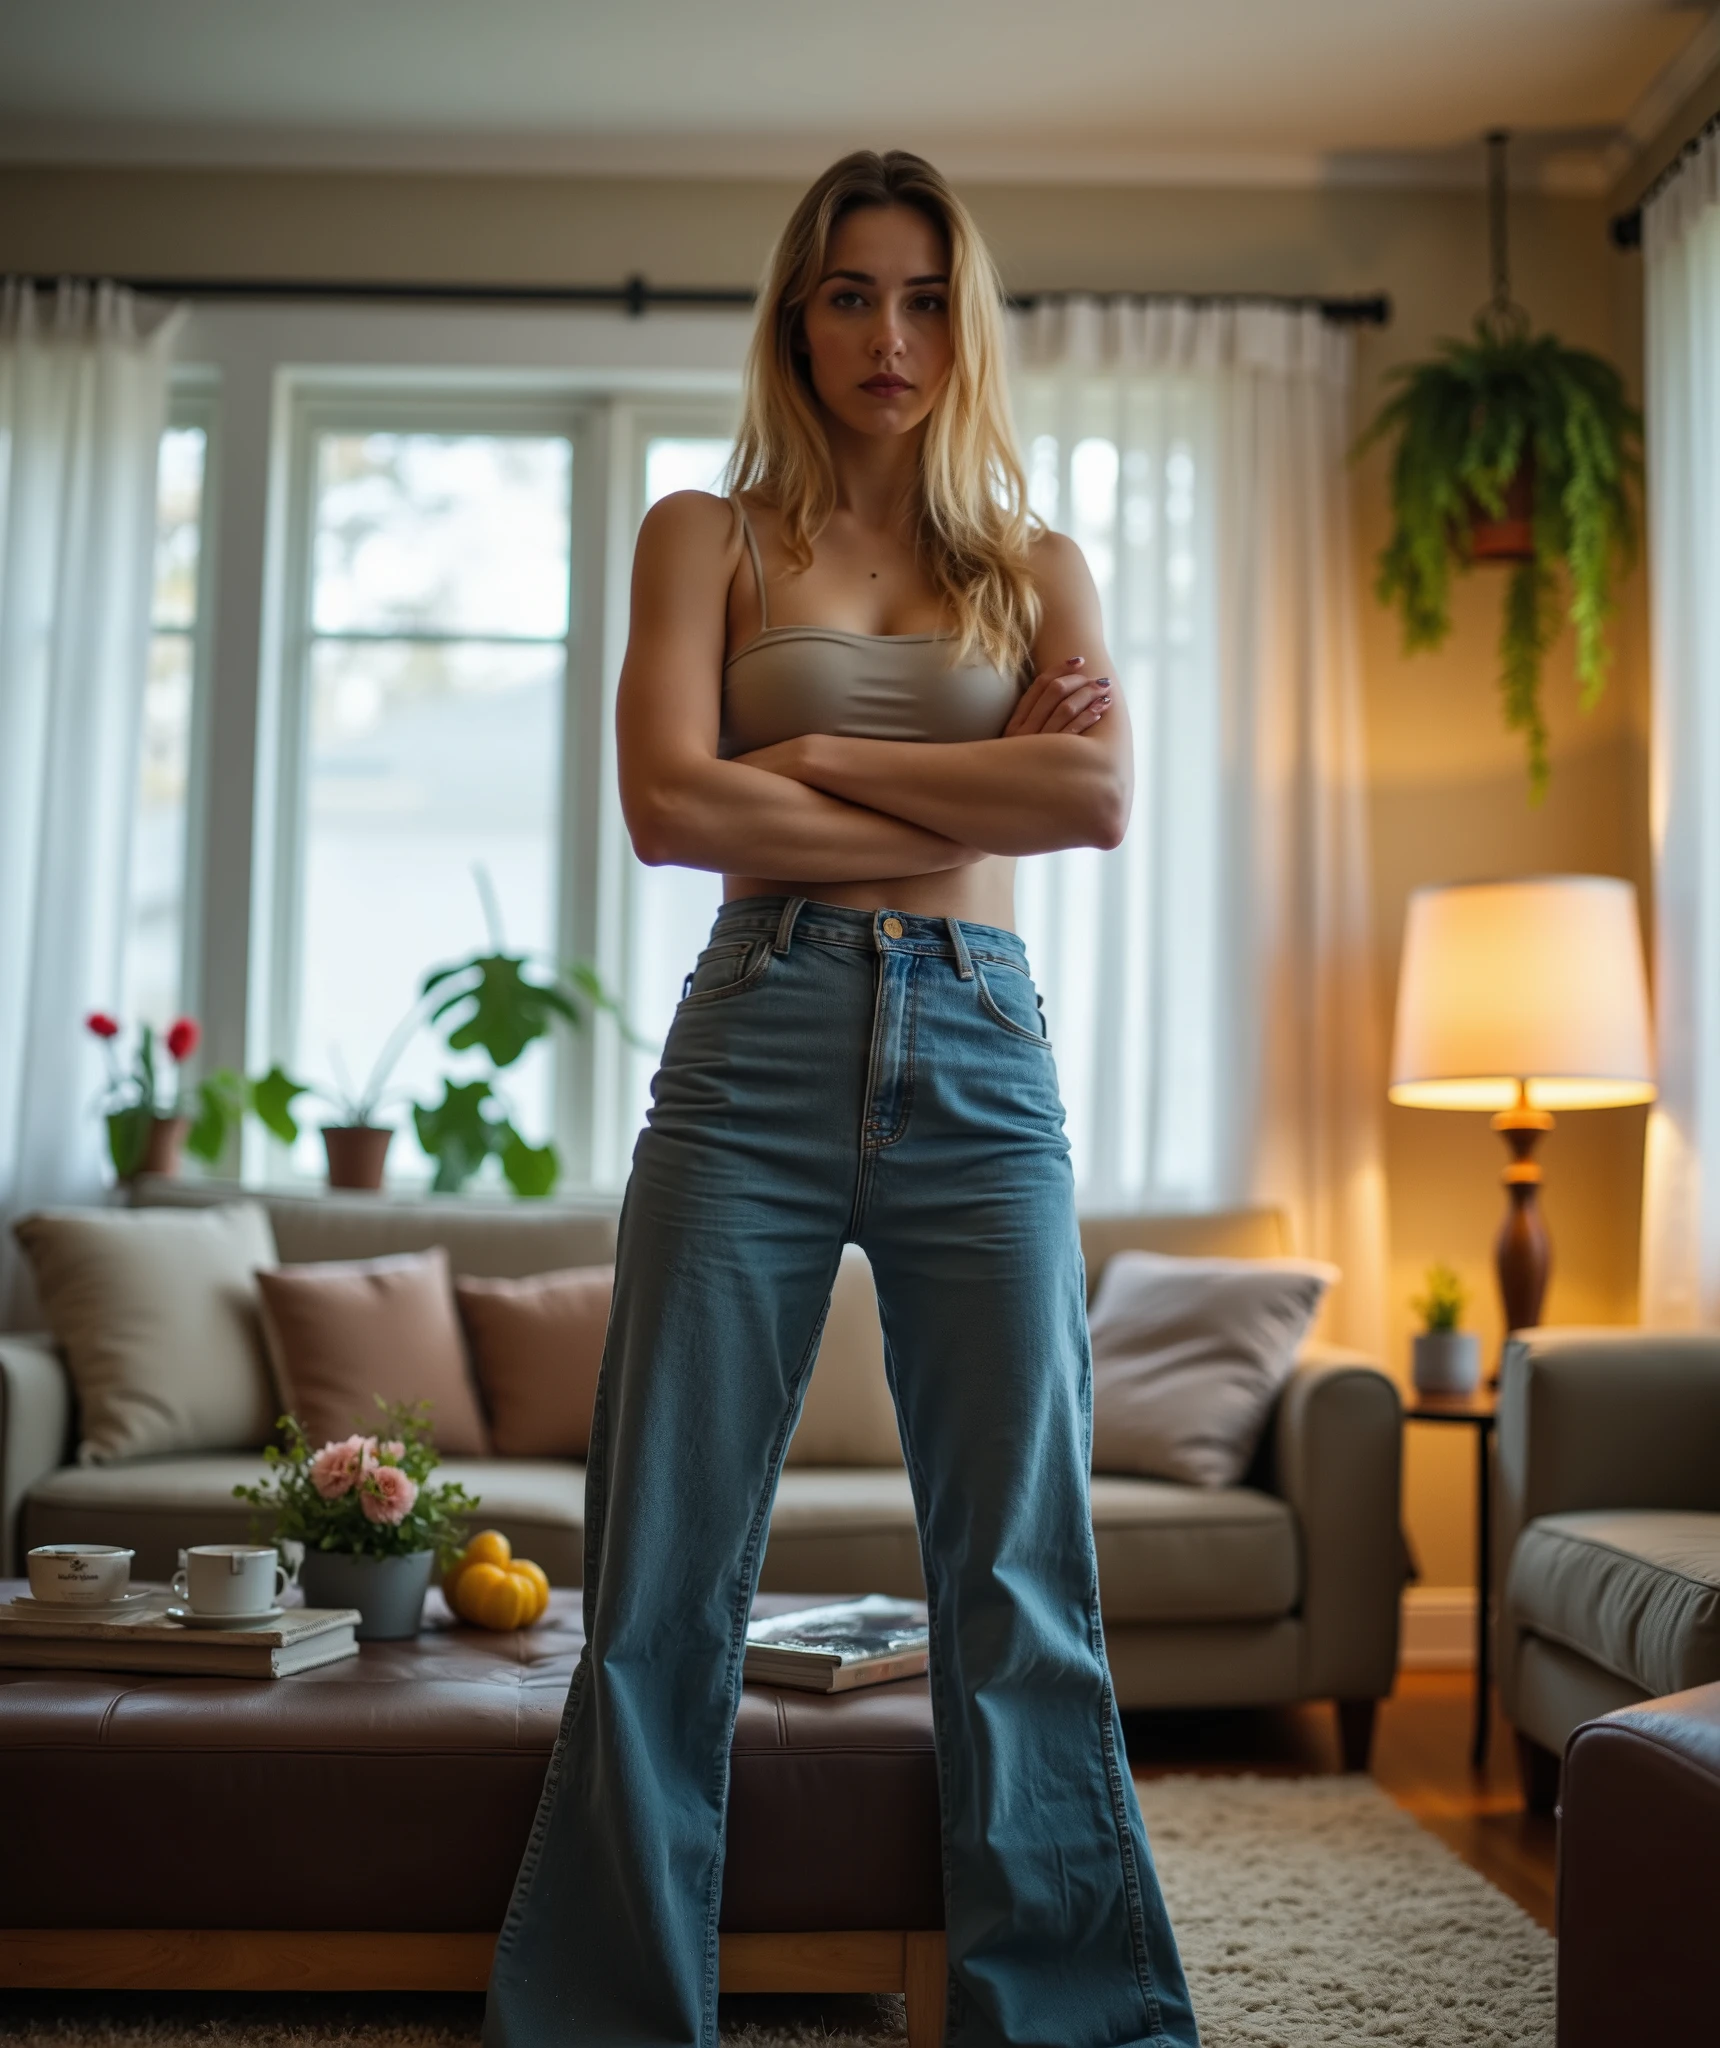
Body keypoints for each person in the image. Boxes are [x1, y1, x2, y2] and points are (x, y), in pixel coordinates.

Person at [483, 148, 1199, 2048]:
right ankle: (613, 2021)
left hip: (983, 1044)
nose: (891, 337)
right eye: (851, 295)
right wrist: (957, 780)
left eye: (927, 297)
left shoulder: (1036, 563)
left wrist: (792, 749)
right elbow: (665, 809)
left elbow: (1101, 805)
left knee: (1020, 1570)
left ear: (968, 324)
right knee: (661, 1568)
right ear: (795, 316)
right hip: (757, 1043)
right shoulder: (700, 535)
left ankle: (1066, 2018)